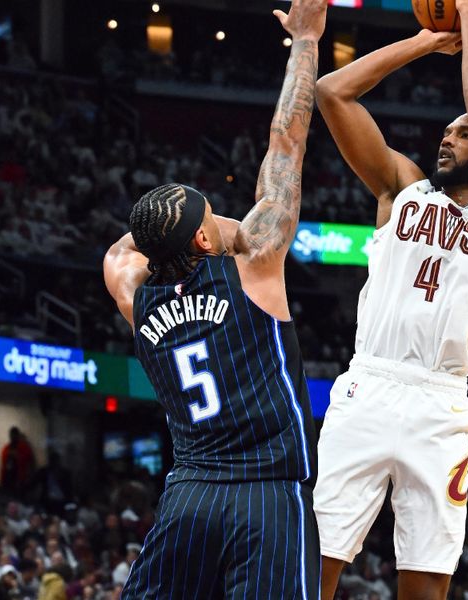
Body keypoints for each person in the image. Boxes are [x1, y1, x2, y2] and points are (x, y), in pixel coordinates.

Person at [102, 1, 327, 597]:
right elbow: (287, 142)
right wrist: (306, 38)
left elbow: (123, 251)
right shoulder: (254, 267)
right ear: (207, 236)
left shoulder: (134, 295)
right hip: (269, 494)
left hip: (190, 496)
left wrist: (176, 234)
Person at [312, 0, 468, 597]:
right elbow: (333, 93)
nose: (449, 137)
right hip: (369, 385)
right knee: (315, 560)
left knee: (427, 579)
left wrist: (465, 18)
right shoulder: (401, 189)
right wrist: (423, 41)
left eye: (461, 135)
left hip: (440, 404)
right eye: (445, 131)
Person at [0, 427, 35, 498]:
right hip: (8, 476)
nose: (12, 437)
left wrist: (17, 456)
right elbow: (3, 464)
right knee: (8, 496)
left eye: (14, 435)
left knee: (18, 497)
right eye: (11, 435)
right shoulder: (6, 448)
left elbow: (30, 462)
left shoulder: (24, 447)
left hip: (19, 477)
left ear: (17, 436)